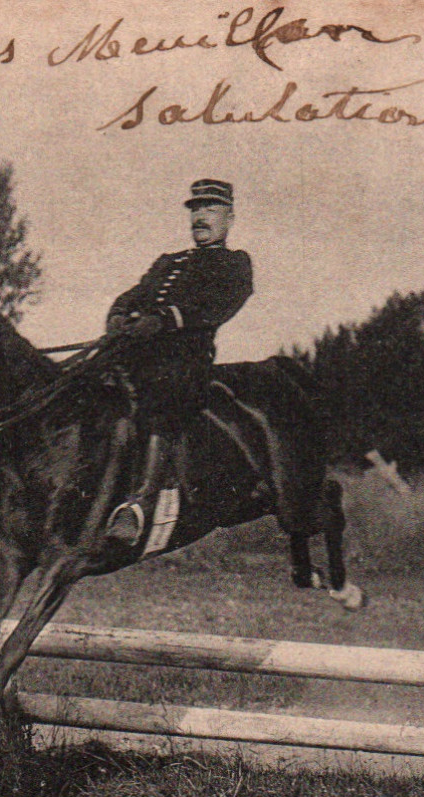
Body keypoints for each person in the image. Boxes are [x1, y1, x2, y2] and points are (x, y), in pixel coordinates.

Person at [101, 178, 253, 545]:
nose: (201, 217)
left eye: (211, 209)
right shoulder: (168, 262)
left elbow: (220, 306)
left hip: (184, 363)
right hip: (136, 354)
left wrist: (166, 320)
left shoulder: (235, 264)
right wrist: (120, 315)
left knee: (162, 397)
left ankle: (139, 505)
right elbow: (133, 294)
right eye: (196, 209)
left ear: (229, 218)